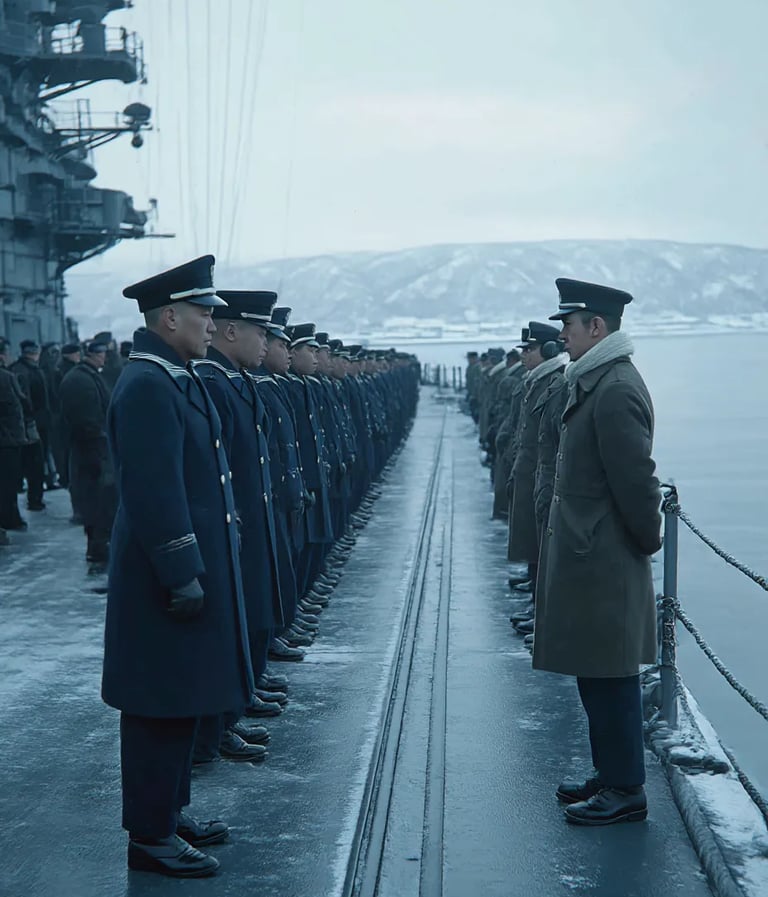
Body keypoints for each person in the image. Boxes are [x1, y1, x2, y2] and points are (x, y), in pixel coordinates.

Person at [102, 255, 254, 878]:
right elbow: (153, 490)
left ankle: (169, 811)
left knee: (181, 694)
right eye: (203, 314)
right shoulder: (145, 384)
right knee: (158, 703)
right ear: (169, 317)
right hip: (160, 579)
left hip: (185, 571)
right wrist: (179, 570)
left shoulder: (175, 376)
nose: (212, 325)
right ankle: (149, 835)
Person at [533, 278, 662, 826]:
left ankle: (627, 787)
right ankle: (611, 773)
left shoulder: (614, 388)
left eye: (569, 324)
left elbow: (636, 480)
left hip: (606, 557)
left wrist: (647, 539)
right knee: (596, 671)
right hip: (591, 554)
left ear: (597, 327)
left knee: (612, 675)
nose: (561, 333)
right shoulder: (594, 380)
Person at [194, 290, 287, 763]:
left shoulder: (235, 379)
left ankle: (232, 711)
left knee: (245, 616)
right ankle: (219, 725)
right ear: (234, 332)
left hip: (245, 521)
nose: (267, 345)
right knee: (229, 624)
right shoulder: (213, 382)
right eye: (261, 333)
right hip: (231, 526)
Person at [507, 323, 566, 597]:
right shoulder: (535, 380)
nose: (523, 355)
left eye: (529, 349)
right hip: (529, 471)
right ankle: (534, 589)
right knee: (533, 536)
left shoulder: (554, 382)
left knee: (541, 539)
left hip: (540, 473)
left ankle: (538, 601)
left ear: (549, 350)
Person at [59, 339, 117, 567]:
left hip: (93, 451)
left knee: (99, 502)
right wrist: (103, 442)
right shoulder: (80, 380)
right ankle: (98, 548)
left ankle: (99, 545)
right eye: (100, 353)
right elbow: (87, 422)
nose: (104, 357)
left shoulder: (86, 376)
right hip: (92, 453)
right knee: (98, 502)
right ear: (91, 354)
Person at [10, 340, 47, 510]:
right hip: (31, 425)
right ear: (34, 353)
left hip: (29, 423)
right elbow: (26, 399)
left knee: (31, 463)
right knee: (34, 464)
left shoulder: (20, 369)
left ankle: (34, 497)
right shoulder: (26, 371)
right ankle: (35, 500)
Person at [0, 337, 27, 532]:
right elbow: (19, 407)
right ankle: (10, 519)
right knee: (8, 484)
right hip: (7, 440)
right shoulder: (6, 377)